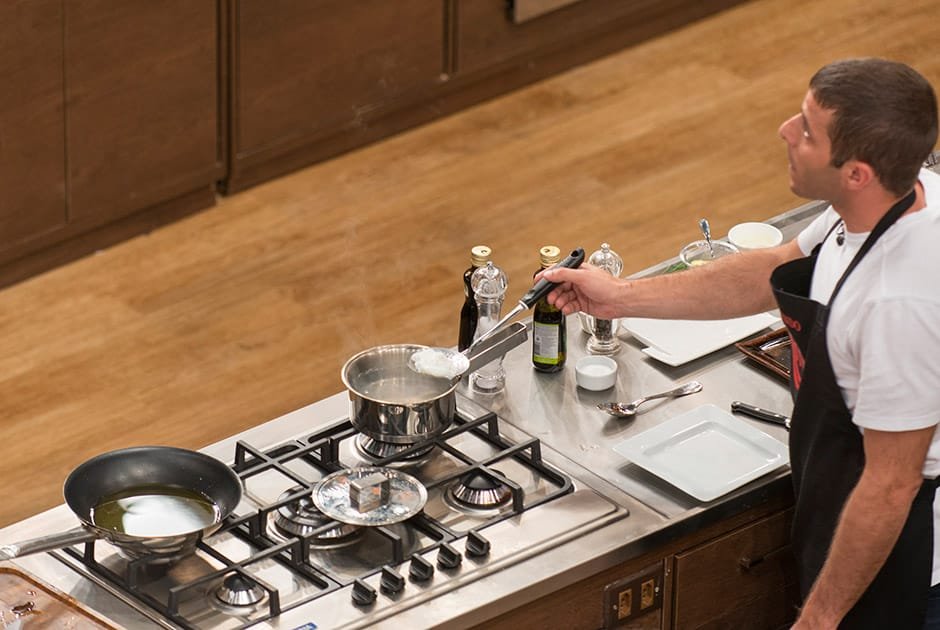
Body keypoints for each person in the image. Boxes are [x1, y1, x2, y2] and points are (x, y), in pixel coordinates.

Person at [544, 58, 940, 629]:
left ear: (856, 173)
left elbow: (890, 485)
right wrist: (620, 297)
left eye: (807, 130)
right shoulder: (889, 198)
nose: (785, 131)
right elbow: (771, 270)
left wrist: (818, 620)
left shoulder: (899, 305)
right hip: (837, 498)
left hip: (902, 564)